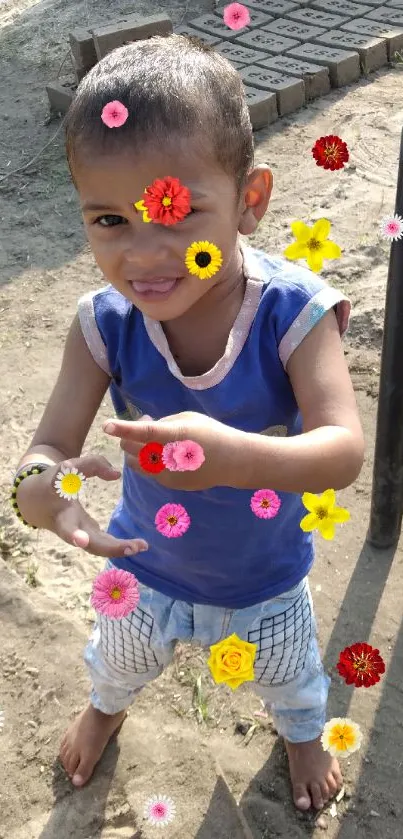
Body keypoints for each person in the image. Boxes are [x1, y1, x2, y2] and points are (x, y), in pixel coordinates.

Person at [13, 34, 364, 812]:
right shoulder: (106, 323)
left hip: (265, 578)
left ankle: (301, 730)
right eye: (108, 219)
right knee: (116, 658)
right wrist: (39, 490)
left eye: (172, 208)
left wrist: (236, 459)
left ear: (250, 200)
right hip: (144, 566)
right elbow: (47, 449)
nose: (144, 252)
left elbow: (342, 448)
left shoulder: (291, 314)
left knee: (287, 674)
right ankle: (107, 707)